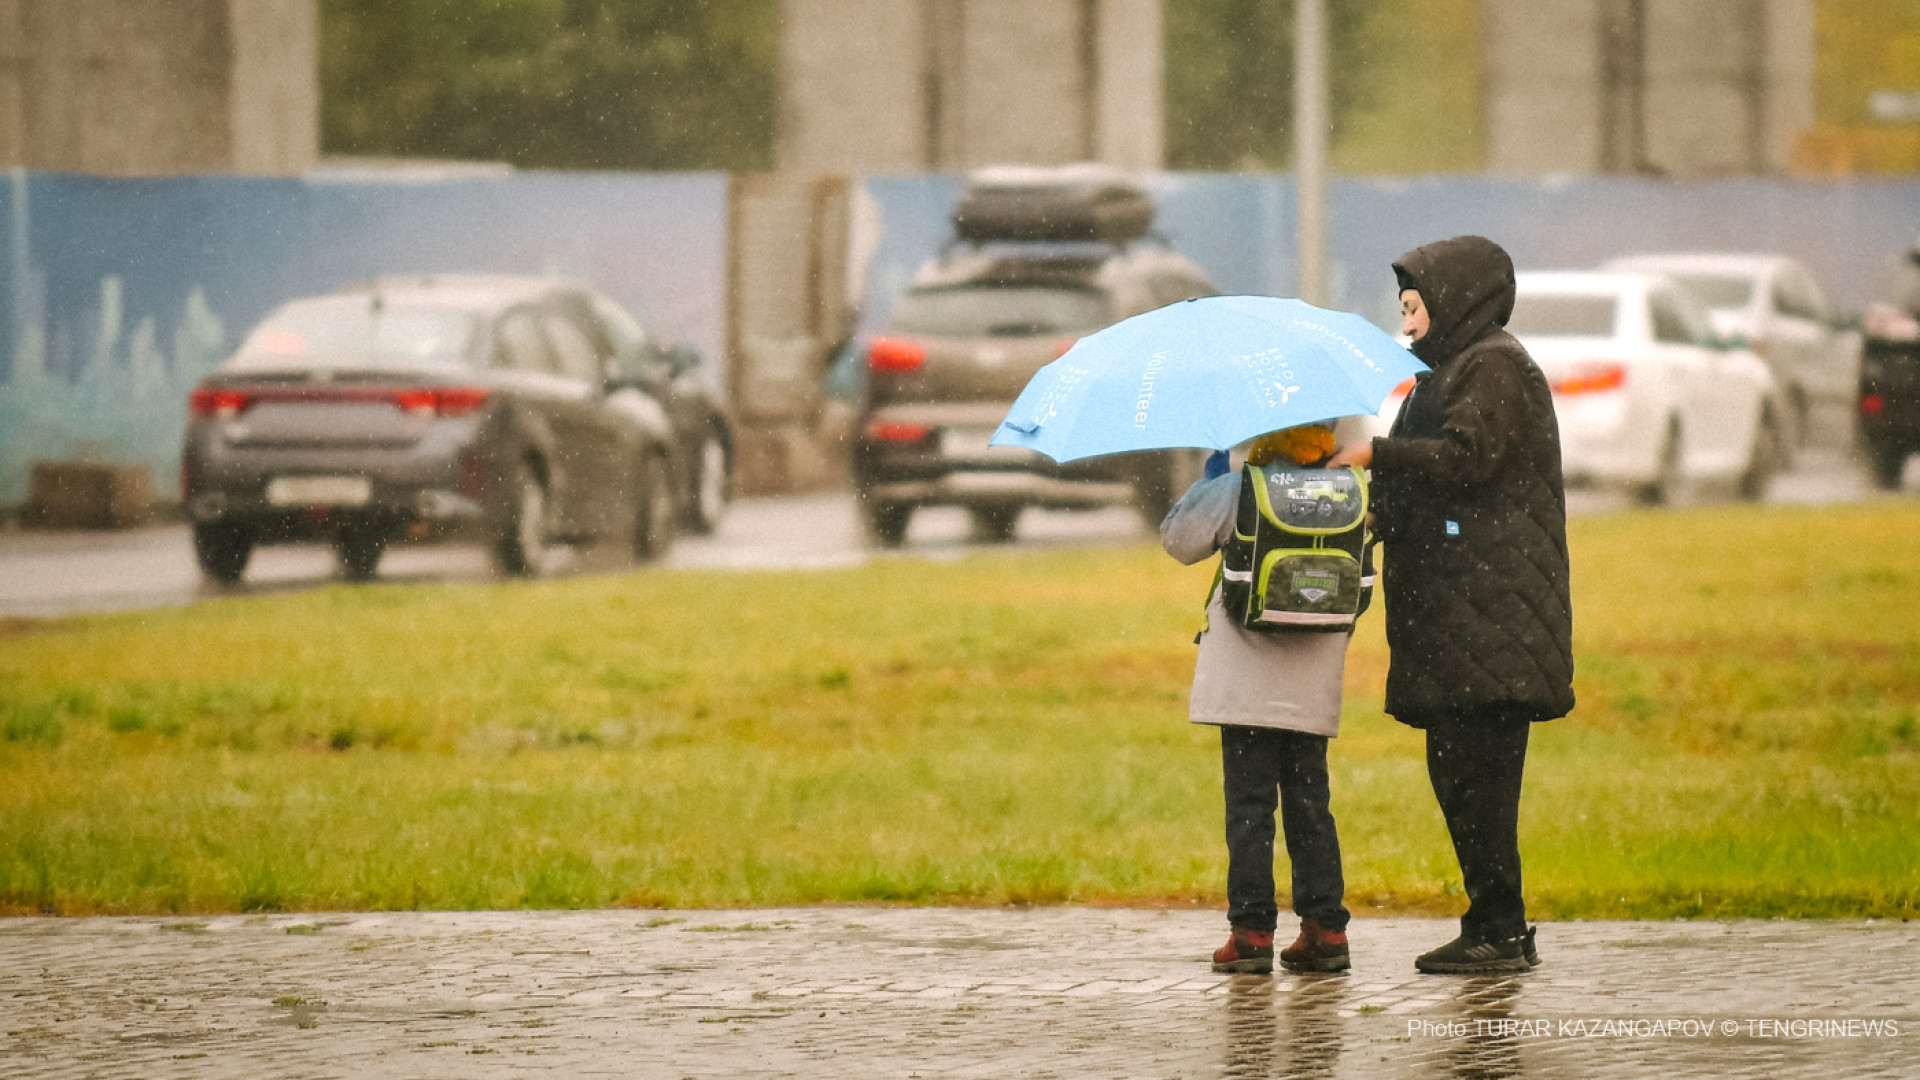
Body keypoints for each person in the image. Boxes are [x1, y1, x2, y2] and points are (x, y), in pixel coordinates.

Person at [1327, 235, 1575, 974]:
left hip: (1492, 621)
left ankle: (1500, 929)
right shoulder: (1451, 372)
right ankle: (1494, 923)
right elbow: (1435, 487)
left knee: (1479, 781)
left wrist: (1380, 454)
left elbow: (1468, 461)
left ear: (1456, 300)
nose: (1407, 325)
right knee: (1461, 777)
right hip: (1461, 621)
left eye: (1415, 308)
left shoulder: (1493, 366)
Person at [1161, 423, 1373, 975]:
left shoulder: (1241, 487)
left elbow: (1178, 541)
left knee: (1250, 809)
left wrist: (1210, 483)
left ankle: (1252, 933)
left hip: (1245, 679)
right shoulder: (1349, 491)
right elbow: (1362, 587)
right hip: (1312, 679)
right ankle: (1326, 929)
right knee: (1311, 806)